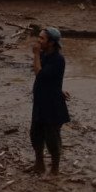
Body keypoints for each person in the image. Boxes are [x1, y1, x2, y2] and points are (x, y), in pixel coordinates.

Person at [30, 26, 70, 175]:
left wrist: (35, 55)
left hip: (52, 105)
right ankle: (39, 163)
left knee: (52, 138)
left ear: (51, 42)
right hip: (41, 102)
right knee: (35, 134)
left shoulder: (58, 59)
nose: (39, 41)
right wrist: (59, 89)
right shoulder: (44, 54)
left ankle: (55, 169)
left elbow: (39, 74)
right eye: (39, 37)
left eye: (42, 39)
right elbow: (50, 80)